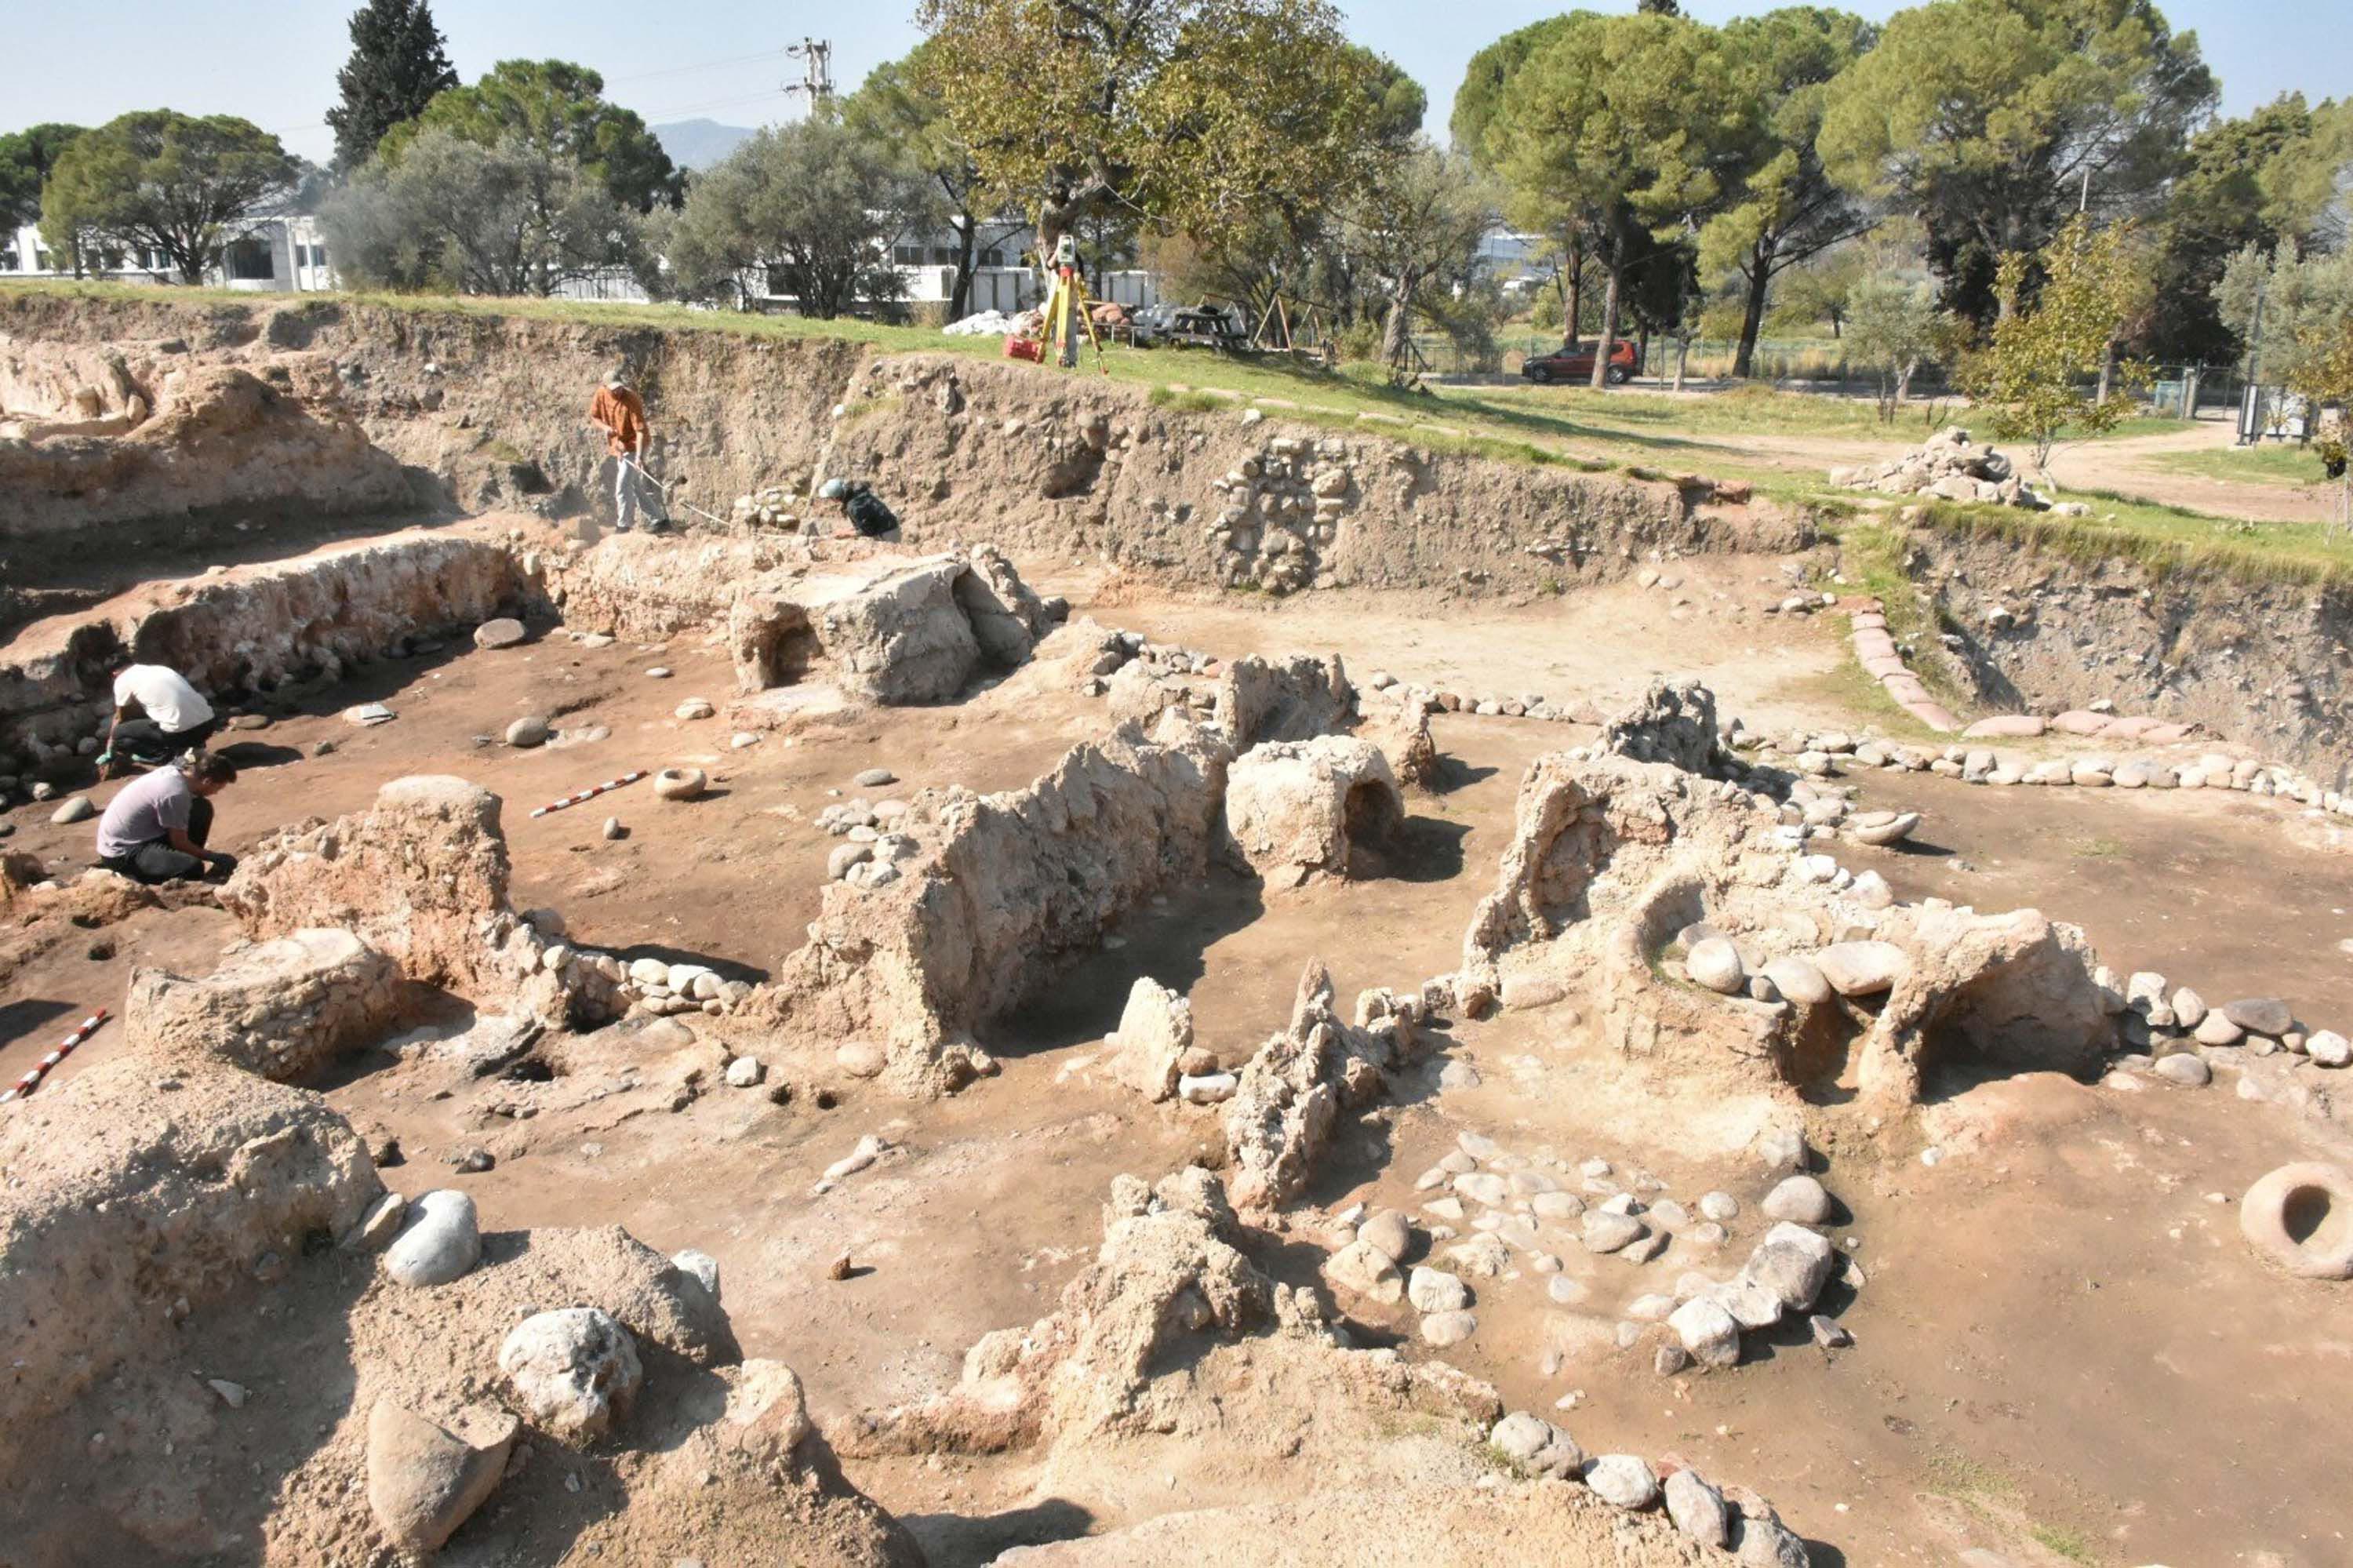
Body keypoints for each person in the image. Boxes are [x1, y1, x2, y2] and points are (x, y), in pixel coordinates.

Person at [94, 752, 238, 885]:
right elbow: (179, 843)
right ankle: (135, 875)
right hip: (122, 852)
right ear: (207, 781)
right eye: (218, 788)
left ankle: (176, 859)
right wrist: (214, 857)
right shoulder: (175, 793)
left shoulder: (176, 772)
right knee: (193, 868)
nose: (216, 793)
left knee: (201, 808)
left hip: (138, 835)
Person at [99, 655, 219, 775]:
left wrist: (110, 746)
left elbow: (119, 717)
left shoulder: (122, 680)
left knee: (119, 733)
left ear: (114, 674)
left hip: (181, 734)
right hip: (209, 723)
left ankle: (164, 757)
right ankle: (194, 745)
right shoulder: (161, 669)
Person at [588, 366, 666, 532]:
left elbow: (640, 431)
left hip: (636, 445)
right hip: (620, 446)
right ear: (605, 387)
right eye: (613, 389)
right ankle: (659, 520)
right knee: (634, 485)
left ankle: (623, 525)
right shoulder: (601, 394)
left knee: (622, 485)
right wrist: (606, 428)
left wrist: (638, 457)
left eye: (619, 387)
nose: (618, 391)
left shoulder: (631, 400)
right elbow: (595, 417)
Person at [819, 478, 900, 539]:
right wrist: (845, 531)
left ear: (836, 498)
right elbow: (865, 523)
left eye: (830, 498)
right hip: (891, 527)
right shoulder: (857, 493)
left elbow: (868, 531)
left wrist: (846, 534)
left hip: (888, 533)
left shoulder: (853, 507)